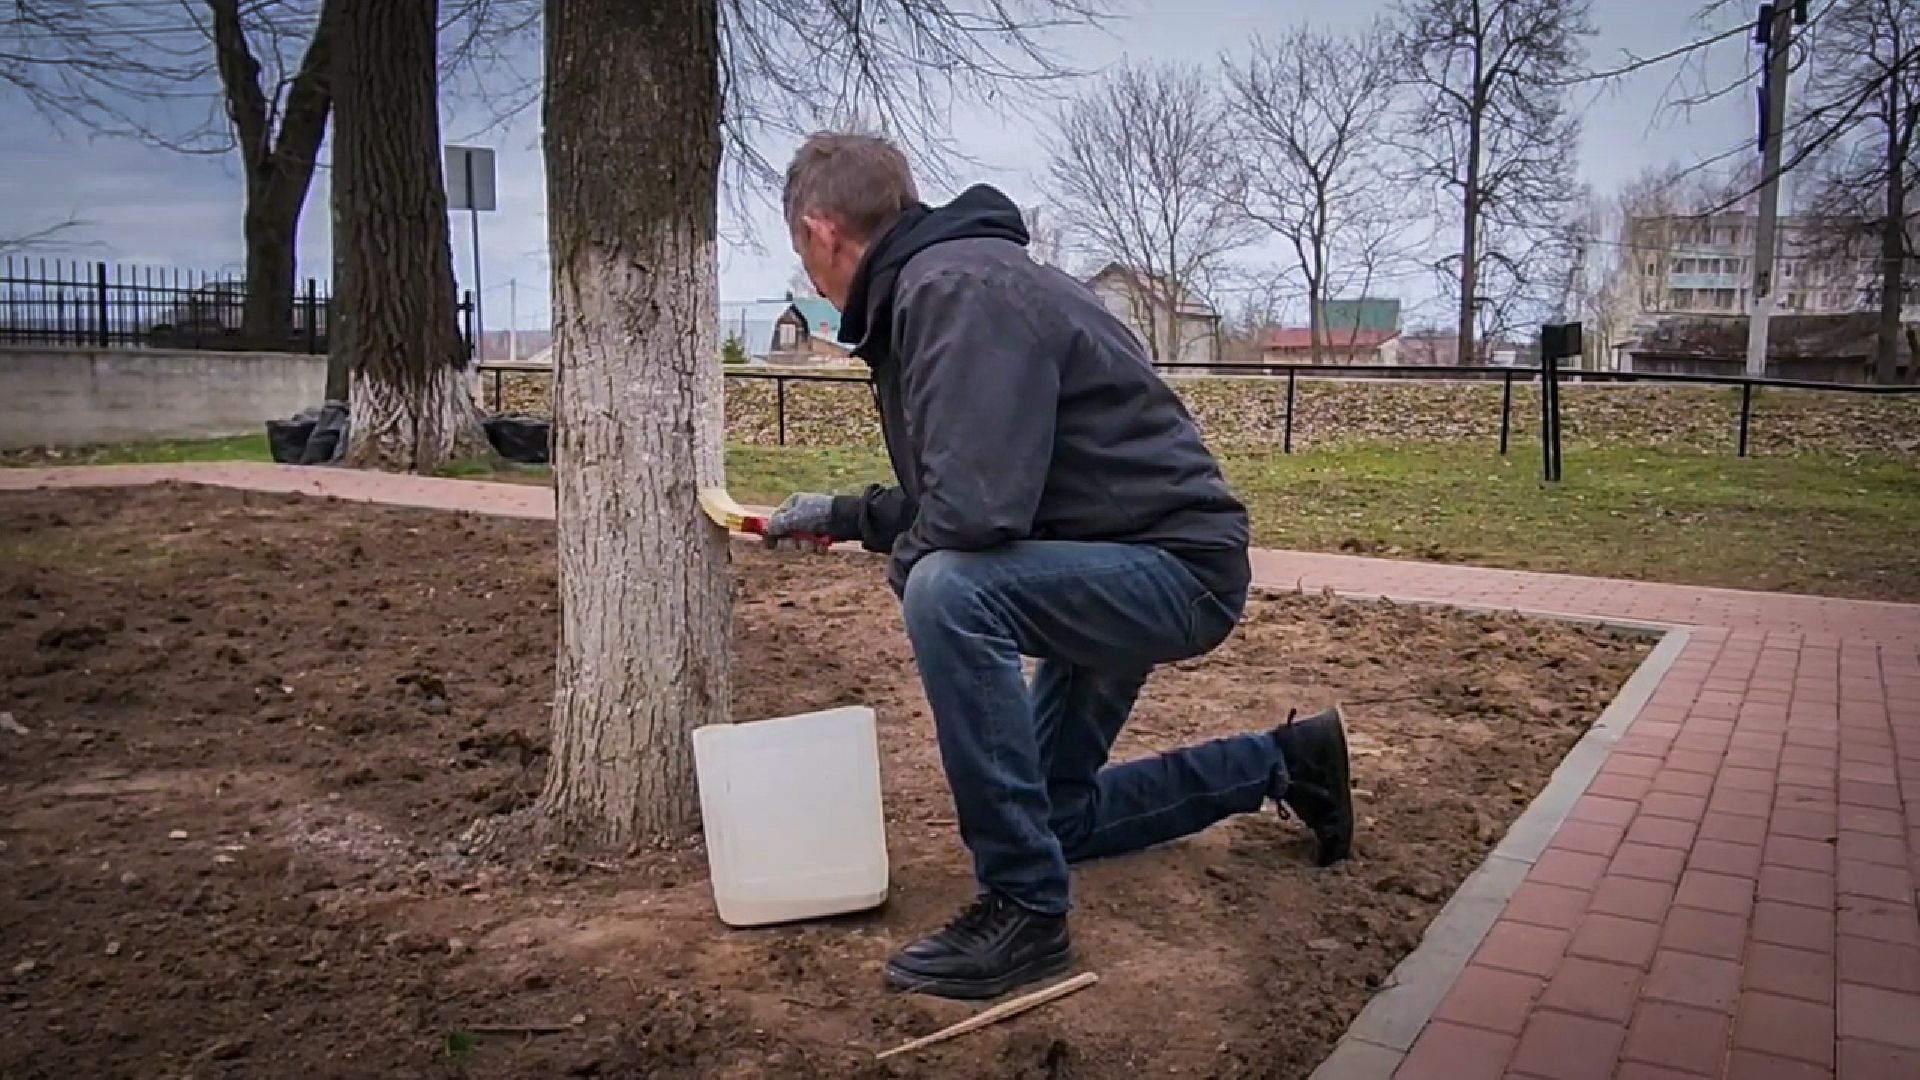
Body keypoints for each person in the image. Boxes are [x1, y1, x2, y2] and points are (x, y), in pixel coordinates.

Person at [762, 132, 1356, 1001]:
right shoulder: (949, 280)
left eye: (801, 258)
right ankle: (1285, 763)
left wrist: (911, 568)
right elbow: (975, 484)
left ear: (821, 231)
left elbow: (976, 512)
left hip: (1167, 568)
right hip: (1110, 556)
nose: (810, 285)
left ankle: (1025, 910)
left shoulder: (953, 289)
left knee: (947, 592)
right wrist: (853, 517)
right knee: (1053, 817)